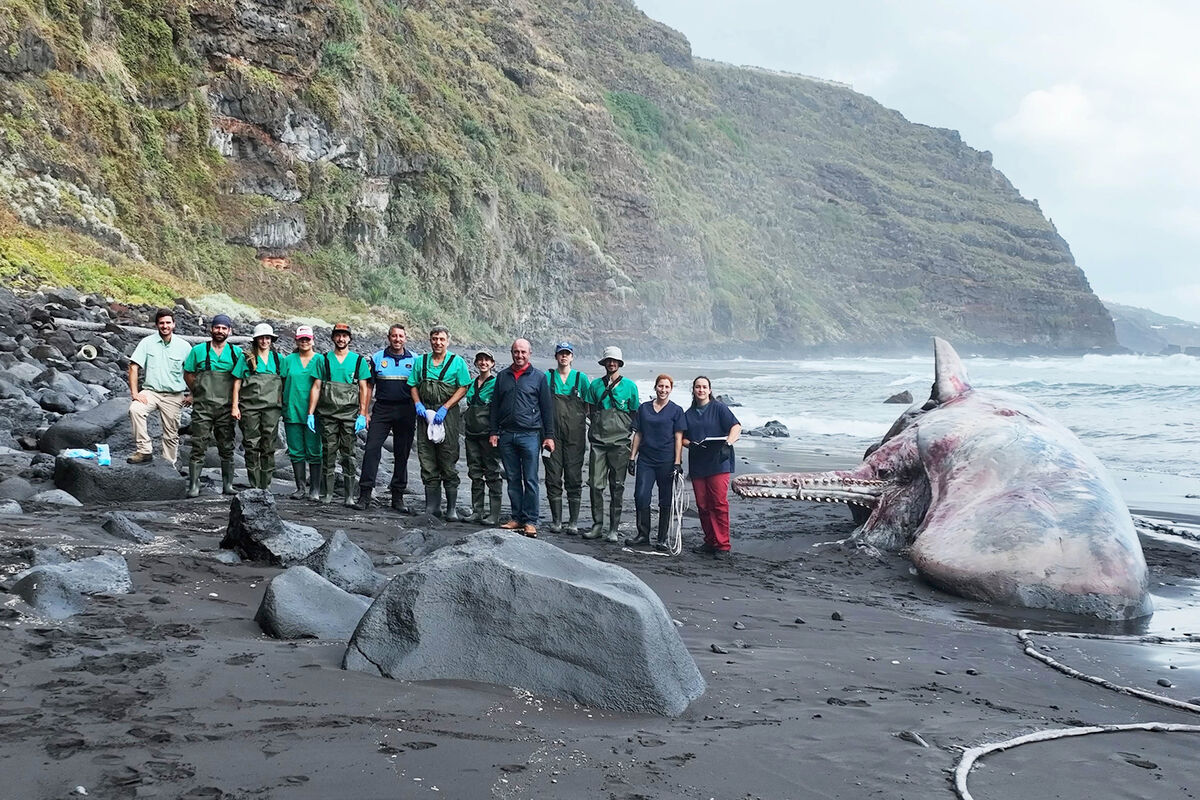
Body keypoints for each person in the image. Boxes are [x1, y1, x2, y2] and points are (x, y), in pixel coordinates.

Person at [489, 339, 555, 537]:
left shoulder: (539, 378)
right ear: (511, 353)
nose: (519, 355)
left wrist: (549, 436)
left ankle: (531, 520)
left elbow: (547, 409)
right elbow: (495, 407)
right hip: (507, 434)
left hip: (530, 435)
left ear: (530, 353)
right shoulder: (502, 377)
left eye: (523, 352)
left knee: (531, 479)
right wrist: (493, 432)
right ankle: (517, 518)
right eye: (516, 352)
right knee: (513, 478)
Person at [407, 326, 470, 518]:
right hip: (425, 414)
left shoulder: (457, 362)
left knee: (448, 459)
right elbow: (413, 385)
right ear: (430, 340)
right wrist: (417, 404)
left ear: (447, 341)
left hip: (447, 416)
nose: (438, 343)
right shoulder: (421, 361)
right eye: (434, 339)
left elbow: (464, 386)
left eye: (442, 339)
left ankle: (451, 509)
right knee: (427, 459)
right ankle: (432, 507)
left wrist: (446, 407)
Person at [306, 323, 370, 505]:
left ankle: (349, 496)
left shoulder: (359, 361)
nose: (341, 339)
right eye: (338, 335)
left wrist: (363, 414)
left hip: (350, 416)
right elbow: (316, 387)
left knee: (349, 455)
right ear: (333, 338)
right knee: (328, 453)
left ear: (350, 338)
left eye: (345, 336)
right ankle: (328, 494)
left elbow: (364, 388)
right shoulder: (323, 359)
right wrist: (311, 413)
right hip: (327, 415)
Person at [356, 324, 417, 511]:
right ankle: (365, 495)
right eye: (394, 336)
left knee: (402, 453)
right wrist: (364, 412)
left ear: (405, 338)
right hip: (382, 409)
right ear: (388, 338)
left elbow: (420, 386)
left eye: (401, 336)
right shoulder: (377, 358)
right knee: (372, 448)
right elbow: (368, 386)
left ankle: (397, 497)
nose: (397, 339)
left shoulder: (415, 360)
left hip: (406, 410)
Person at [583, 346, 640, 542]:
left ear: (620, 363)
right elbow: (590, 410)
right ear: (604, 363)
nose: (611, 363)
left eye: (615, 361)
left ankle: (613, 529)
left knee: (617, 486)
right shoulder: (595, 385)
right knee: (595, 485)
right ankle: (597, 525)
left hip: (620, 444)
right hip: (598, 442)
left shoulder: (631, 387)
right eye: (608, 360)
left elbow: (634, 414)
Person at [682, 376, 742, 559]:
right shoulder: (689, 414)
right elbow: (682, 437)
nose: (701, 390)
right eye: (697, 387)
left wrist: (728, 444)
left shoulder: (719, 408)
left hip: (719, 461)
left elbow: (736, 427)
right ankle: (710, 541)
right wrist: (689, 444)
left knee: (718, 503)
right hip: (699, 463)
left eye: (704, 387)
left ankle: (723, 545)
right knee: (702, 505)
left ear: (709, 390)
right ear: (693, 390)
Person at [183, 314, 243, 497]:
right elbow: (188, 373)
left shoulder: (236, 353)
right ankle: (194, 485)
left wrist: (235, 405)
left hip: (225, 408)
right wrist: (197, 390)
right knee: (198, 445)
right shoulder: (198, 350)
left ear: (229, 331)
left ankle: (228, 485)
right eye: (217, 327)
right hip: (203, 408)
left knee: (227, 447)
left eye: (224, 328)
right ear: (211, 329)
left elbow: (239, 380)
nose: (220, 331)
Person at [627, 374, 686, 550]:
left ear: (671, 389)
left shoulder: (676, 410)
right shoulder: (644, 408)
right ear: (655, 387)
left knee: (665, 499)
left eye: (667, 387)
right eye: (660, 386)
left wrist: (677, 462)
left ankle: (662, 539)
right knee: (641, 495)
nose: (663, 390)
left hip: (667, 460)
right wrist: (632, 457)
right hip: (646, 459)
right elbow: (638, 434)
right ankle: (643, 535)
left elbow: (678, 437)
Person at [127, 308, 192, 465]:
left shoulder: (184, 346)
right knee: (135, 410)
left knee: (171, 434)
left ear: (174, 324)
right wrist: (135, 393)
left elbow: (193, 372)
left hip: (174, 395)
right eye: (161, 323)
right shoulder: (147, 343)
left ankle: (168, 465)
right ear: (156, 325)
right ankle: (144, 451)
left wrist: (192, 394)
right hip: (151, 392)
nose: (165, 326)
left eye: (168, 323)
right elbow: (133, 366)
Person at [543, 341, 589, 533]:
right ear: (556, 357)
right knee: (553, 477)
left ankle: (573, 522)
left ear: (572, 357)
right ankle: (556, 521)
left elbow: (589, 407)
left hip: (575, 437)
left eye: (567, 353)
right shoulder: (547, 377)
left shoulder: (581, 379)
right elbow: (542, 404)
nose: (564, 356)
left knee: (573, 477)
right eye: (560, 353)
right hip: (552, 436)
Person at [231, 323, 283, 490]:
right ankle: (254, 484)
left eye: (267, 338)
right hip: (249, 408)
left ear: (271, 340)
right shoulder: (246, 358)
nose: (264, 341)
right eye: (261, 338)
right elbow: (237, 382)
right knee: (251, 445)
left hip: (272, 409)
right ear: (256, 339)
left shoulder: (278, 359)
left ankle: (265, 485)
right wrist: (235, 406)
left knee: (269, 445)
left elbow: (285, 381)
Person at [280, 326, 323, 500]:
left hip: (314, 413)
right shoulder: (288, 360)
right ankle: (300, 488)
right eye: (301, 339)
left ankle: (315, 489)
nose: (304, 342)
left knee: (314, 450)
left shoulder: (320, 359)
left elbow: (322, 385)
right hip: (292, 409)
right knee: (296, 450)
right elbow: (281, 383)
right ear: (296, 341)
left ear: (313, 340)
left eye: (307, 339)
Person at [463, 349, 503, 525]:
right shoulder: (472, 384)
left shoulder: (496, 384)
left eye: (487, 360)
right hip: (471, 434)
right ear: (476, 363)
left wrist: (496, 432)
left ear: (492, 363)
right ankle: (477, 510)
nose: (483, 363)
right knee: (475, 472)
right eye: (480, 360)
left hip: (489, 435)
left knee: (492, 472)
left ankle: (494, 513)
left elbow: (499, 409)